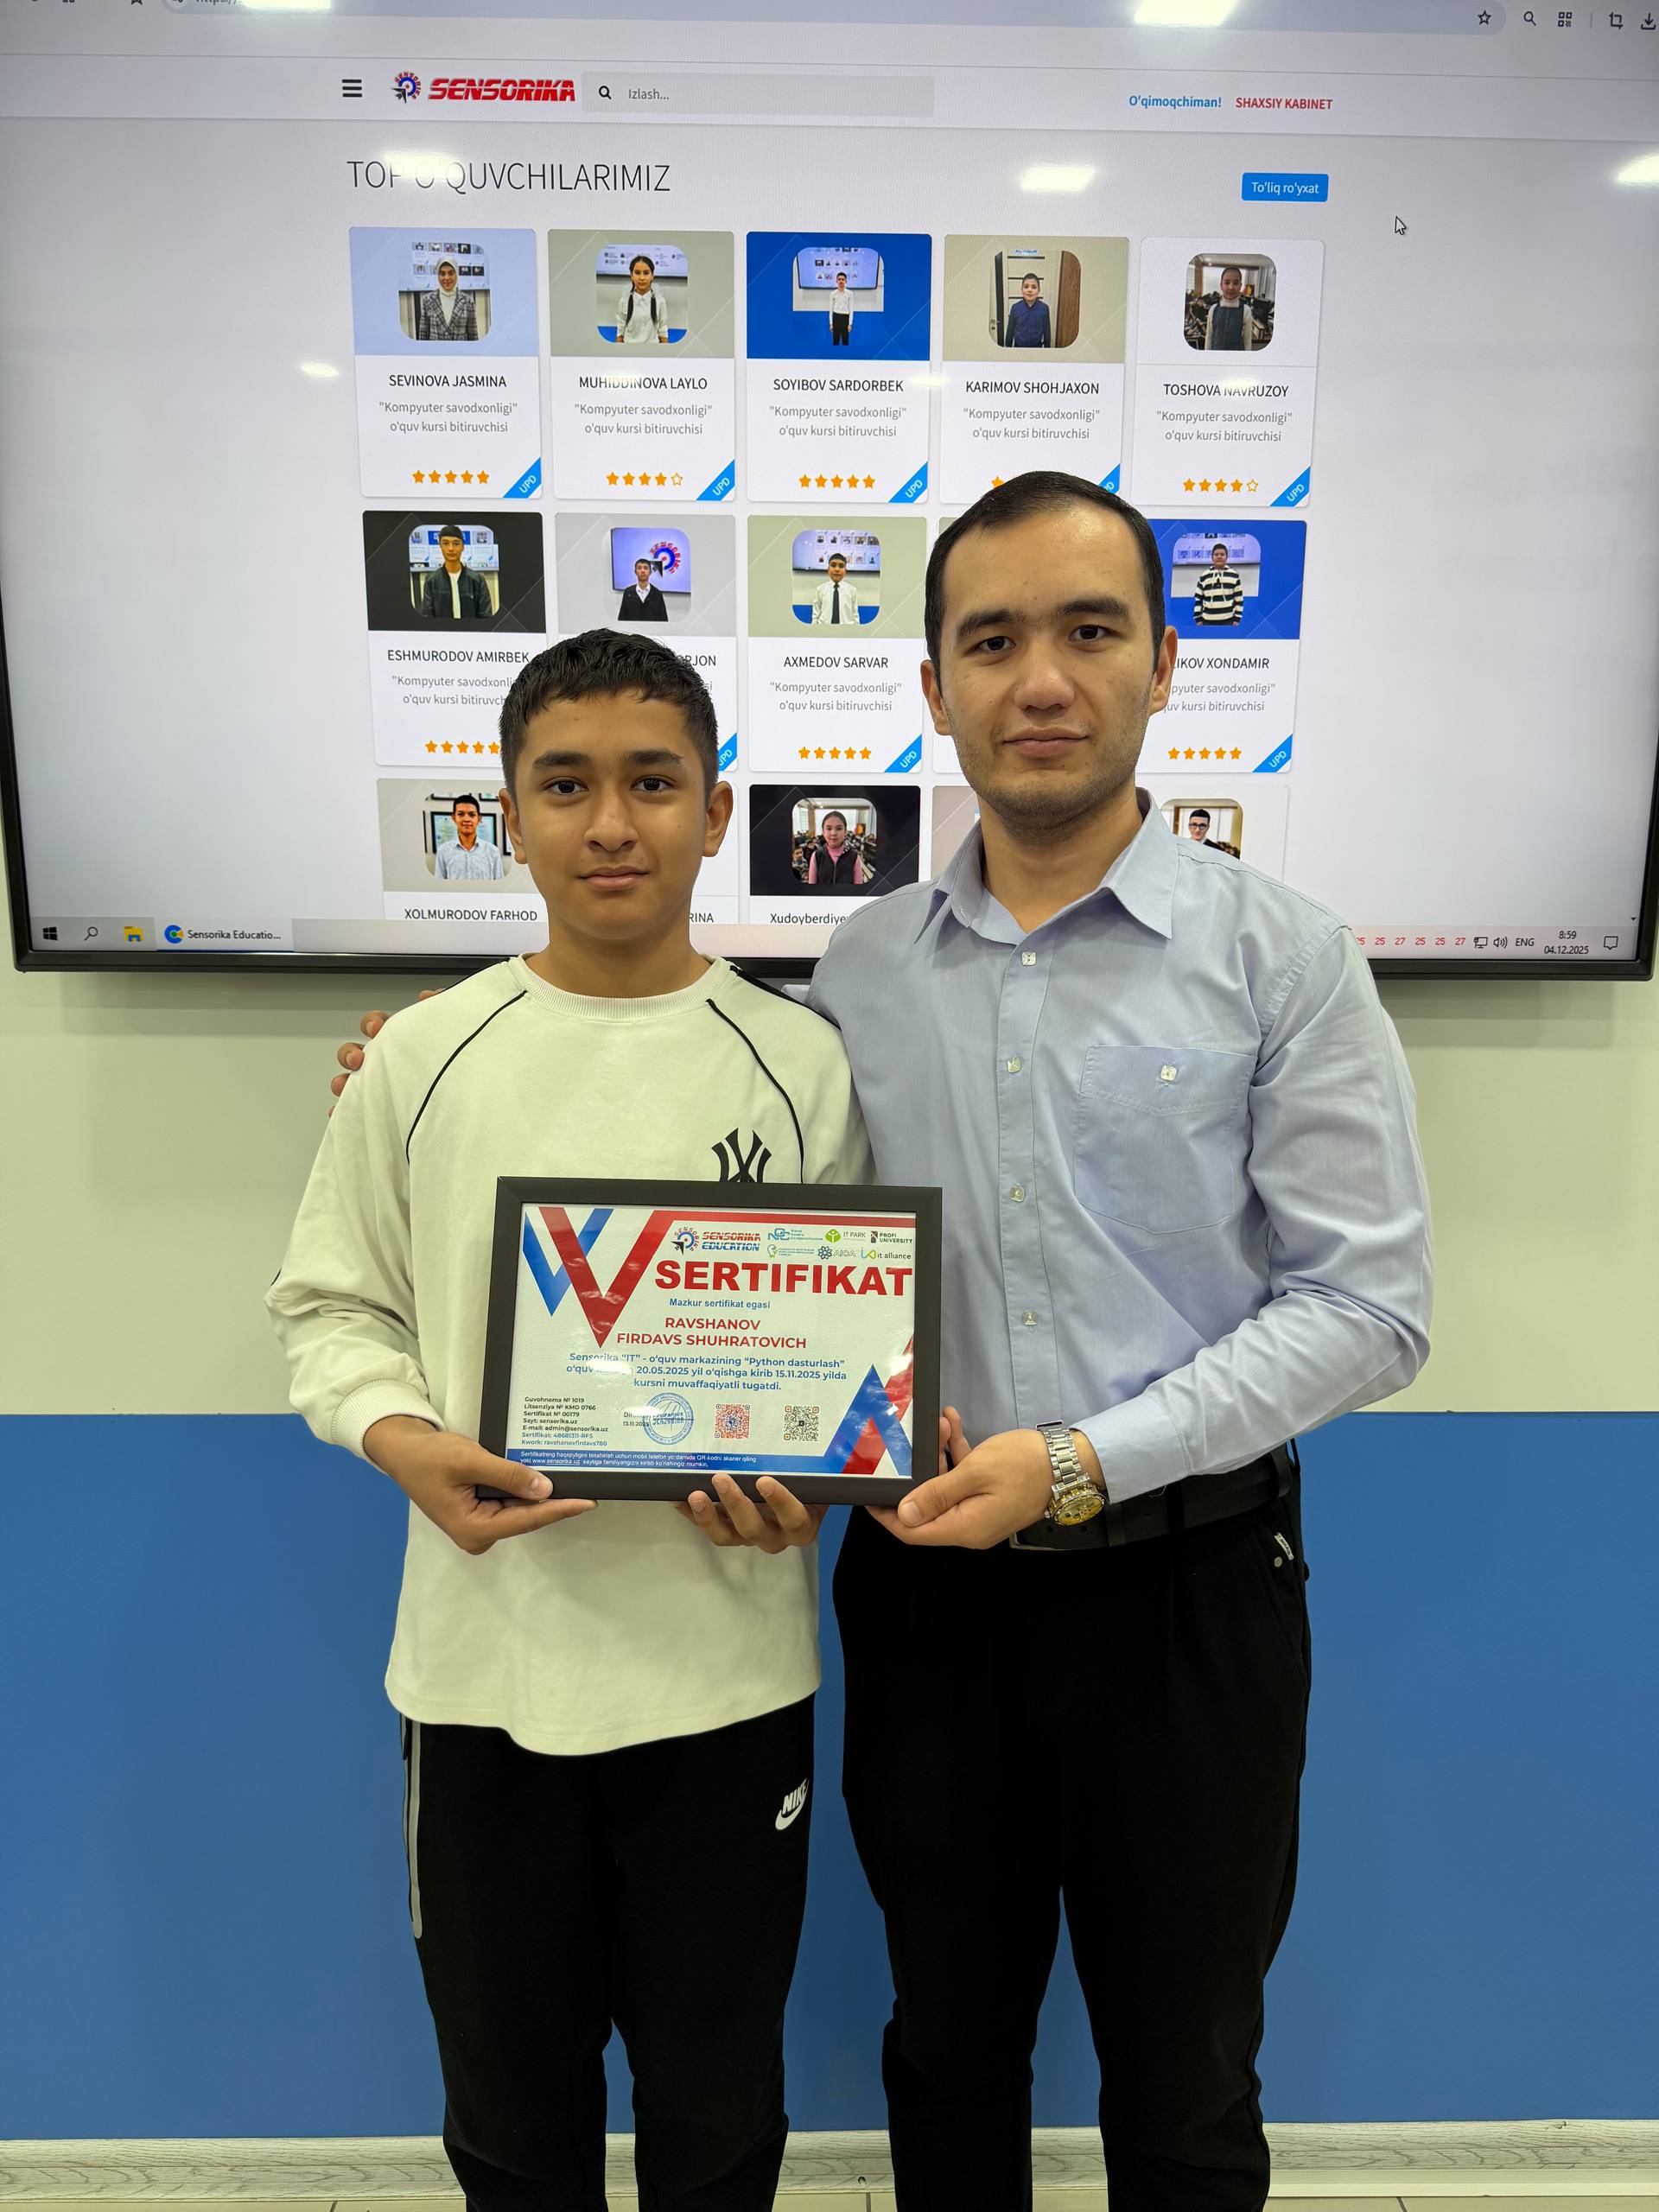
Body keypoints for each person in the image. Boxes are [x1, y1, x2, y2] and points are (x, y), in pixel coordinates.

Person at [329, 476, 1433, 2212]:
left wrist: (1080, 1463)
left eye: (1088, 630)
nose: (1040, 679)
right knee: (947, 2045)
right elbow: (739, 1210)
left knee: (1187, 2074)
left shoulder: (1284, 960)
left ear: (1164, 663)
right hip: (928, 1598)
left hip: (1187, 1589)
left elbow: (1370, 1307)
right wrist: (436, 1059)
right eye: (992, 640)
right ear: (935, 687)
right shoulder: (859, 971)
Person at [275, 629, 871, 2211]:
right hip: (485, 1683)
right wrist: (402, 1441)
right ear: (509, 816)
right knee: (511, 2124)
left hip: (725, 1681)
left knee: (719, 2120)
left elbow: (845, 1357)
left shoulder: (801, 1062)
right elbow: (331, 1309)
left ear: (718, 811)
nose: (612, 823)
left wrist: (812, 1486)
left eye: (654, 783)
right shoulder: (420, 1055)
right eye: (566, 785)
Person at [418, 527, 494, 623]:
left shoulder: (477, 580)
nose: (451, 548)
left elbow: (485, 617)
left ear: (463, 547)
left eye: (456, 543)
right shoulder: (431, 581)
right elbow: (427, 617)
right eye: (445, 543)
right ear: (440, 546)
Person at [433, 794, 504, 882]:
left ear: (479, 819)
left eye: (472, 814)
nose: (466, 819)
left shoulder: (493, 851)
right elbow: (439, 886)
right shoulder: (443, 851)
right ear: (454, 818)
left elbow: (499, 885)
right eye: (461, 814)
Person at [804, 809, 869, 891]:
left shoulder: (854, 856)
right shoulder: (816, 856)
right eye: (829, 828)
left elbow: (858, 890)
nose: (833, 833)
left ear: (845, 831)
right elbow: (812, 890)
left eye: (839, 828)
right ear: (823, 832)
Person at [1204, 264, 1263, 352]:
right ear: (1221, 285)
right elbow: (1209, 338)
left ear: (1240, 286)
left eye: (1235, 283)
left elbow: (1247, 342)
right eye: (1227, 283)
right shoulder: (1213, 309)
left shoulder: (1246, 310)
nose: (1231, 287)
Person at [416, 259, 478, 343]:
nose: (446, 278)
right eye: (442, 274)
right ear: (438, 276)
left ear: (457, 274)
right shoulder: (427, 300)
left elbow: (473, 337)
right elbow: (423, 335)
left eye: (451, 273)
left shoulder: (468, 301)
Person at [615, 252, 670, 346]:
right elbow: (620, 331)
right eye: (637, 273)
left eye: (646, 273)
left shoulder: (660, 301)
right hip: (629, 350)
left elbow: (663, 330)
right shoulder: (624, 301)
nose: (642, 278)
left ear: (652, 275)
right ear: (631, 275)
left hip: (653, 350)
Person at [1194, 540, 1245, 626]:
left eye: (1222, 554)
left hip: (1228, 621)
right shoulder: (1204, 575)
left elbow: (1239, 599)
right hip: (1207, 621)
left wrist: (1237, 618)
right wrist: (1198, 618)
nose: (1219, 556)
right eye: (1216, 554)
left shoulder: (1234, 575)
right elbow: (1198, 599)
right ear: (1212, 557)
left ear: (1227, 557)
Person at [810, 551, 861, 627]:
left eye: (841, 566)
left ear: (845, 570)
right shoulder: (820, 589)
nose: (837, 569)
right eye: (833, 565)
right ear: (828, 569)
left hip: (846, 630)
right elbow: (815, 615)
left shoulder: (852, 590)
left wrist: (857, 630)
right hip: (824, 629)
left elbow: (855, 615)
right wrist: (813, 630)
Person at [1004, 270, 1052, 348]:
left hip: (1037, 348)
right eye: (1026, 287)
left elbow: (1047, 333)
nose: (1030, 290)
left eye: (1034, 287)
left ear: (1039, 290)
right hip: (1018, 348)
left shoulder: (1044, 309)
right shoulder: (1015, 308)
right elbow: (1010, 332)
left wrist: (1047, 350)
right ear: (1022, 290)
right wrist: (1008, 349)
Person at [617, 555, 668, 622]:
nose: (643, 571)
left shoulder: (657, 594)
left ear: (650, 572)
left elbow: (664, 620)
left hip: (652, 629)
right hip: (632, 628)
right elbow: (622, 618)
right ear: (635, 572)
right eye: (639, 568)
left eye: (646, 568)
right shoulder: (628, 593)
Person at [828, 267, 855, 347]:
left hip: (845, 318)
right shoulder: (833, 294)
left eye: (843, 279)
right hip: (836, 317)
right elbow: (831, 310)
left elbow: (851, 309)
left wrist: (850, 324)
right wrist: (831, 323)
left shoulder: (850, 293)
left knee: (845, 341)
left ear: (846, 281)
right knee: (835, 341)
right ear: (836, 281)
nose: (841, 281)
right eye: (839, 279)